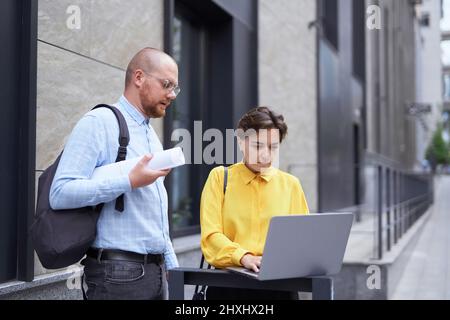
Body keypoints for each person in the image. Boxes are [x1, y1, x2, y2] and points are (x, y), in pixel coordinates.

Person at [49, 47, 180, 300]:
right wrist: (129, 180)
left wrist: (171, 264)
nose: (172, 94)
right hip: (118, 275)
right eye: (166, 84)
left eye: (175, 88)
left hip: (155, 272)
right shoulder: (99, 122)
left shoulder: (150, 134)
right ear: (139, 78)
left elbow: (154, 209)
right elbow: (60, 192)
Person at [200, 106, 310, 300]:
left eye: (273, 147)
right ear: (241, 142)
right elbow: (210, 237)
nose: (266, 155)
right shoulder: (219, 178)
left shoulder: (291, 185)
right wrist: (243, 257)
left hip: (280, 287)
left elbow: (301, 239)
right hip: (229, 286)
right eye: (258, 146)